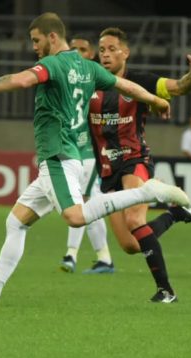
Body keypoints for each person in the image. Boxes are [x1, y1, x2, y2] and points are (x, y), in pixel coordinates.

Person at [0, 13, 189, 309]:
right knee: (16, 222)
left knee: (75, 216)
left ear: (52, 37)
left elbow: (19, 81)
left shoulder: (52, 64)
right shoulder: (88, 66)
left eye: (36, 40)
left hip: (57, 155)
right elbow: (127, 86)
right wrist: (156, 100)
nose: (34, 47)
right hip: (74, 157)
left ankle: (147, 192)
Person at [88, 27, 191, 303]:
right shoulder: (90, 84)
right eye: (102, 50)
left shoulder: (141, 82)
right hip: (107, 169)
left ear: (126, 52)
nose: (106, 55)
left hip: (135, 160)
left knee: (135, 219)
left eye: (112, 49)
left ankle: (166, 291)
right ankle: (176, 214)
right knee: (130, 245)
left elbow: (180, 87)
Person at [57, 32, 114, 274]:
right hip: (73, 151)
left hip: (90, 153)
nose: (77, 52)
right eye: (74, 48)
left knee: (80, 202)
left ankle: (72, 255)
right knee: (89, 203)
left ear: (90, 54)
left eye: (82, 49)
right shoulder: (68, 80)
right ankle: (104, 258)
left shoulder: (95, 80)